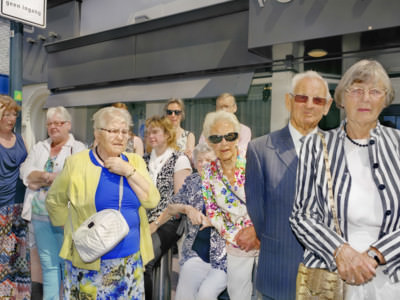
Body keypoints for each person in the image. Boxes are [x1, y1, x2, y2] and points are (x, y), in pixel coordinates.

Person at [290, 59, 400, 299]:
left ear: (385, 99)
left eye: (374, 91)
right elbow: (302, 216)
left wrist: (377, 254)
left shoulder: (398, 144)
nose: (365, 98)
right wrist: (341, 251)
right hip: (333, 278)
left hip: (391, 278)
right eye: (357, 90)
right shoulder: (315, 146)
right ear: (341, 98)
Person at [45, 106, 160, 299]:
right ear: (98, 133)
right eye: (114, 131)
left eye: (124, 132)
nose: (120, 137)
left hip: (130, 260)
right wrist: (74, 230)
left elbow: (152, 200)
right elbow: (54, 201)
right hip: (91, 262)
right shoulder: (77, 163)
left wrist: (128, 171)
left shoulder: (135, 162)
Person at [245, 71, 333, 300]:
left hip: (327, 278)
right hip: (278, 272)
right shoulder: (260, 149)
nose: (310, 105)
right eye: (302, 98)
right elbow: (258, 212)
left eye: (318, 100)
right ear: (288, 101)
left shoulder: (338, 150)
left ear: (327, 106)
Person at [20, 106, 86, 299]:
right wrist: (49, 176)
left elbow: (74, 177)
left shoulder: (78, 148)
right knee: (48, 267)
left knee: (68, 266)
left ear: (68, 125)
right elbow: (25, 172)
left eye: (58, 123)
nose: (53, 127)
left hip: (65, 218)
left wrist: (39, 178)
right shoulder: (40, 147)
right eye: (50, 123)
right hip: (39, 217)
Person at [202, 110, 259, 300]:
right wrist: (236, 237)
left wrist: (256, 231)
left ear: (237, 137)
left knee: (267, 293)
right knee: (237, 294)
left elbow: (269, 199)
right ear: (209, 142)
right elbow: (212, 211)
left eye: (230, 136)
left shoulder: (255, 160)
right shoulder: (208, 171)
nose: (224, 143)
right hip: (236, 241)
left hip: (263, 236)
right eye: (216, 138)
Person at [161, 143, 227, 300]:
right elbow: (171, 207)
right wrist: (186, 209)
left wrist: (214, 221)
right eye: (200, 160)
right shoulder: (192, 182)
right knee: (184, 292)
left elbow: (239, 220)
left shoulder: (228, 184)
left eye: (208, 160)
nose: (203, 164)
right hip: (196, 254)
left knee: (205, 294)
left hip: (224, 258)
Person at [143, 115, 192, 299]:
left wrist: (155, 223)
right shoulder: (144, 159)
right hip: (145, 220)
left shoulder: (179, 159)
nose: (150, 136)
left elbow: (179, 203)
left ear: (167, 133)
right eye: (148, 132)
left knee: (144, 259)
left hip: (170, 220)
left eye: (155, 132)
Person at [0, 95, 29, 299]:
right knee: (3, 259)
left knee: (19, 256)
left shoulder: (20, 139)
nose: (11, 118)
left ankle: (19, 296)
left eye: (14, 114)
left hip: (19, 204)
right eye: (7, 114)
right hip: (1, 207)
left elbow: (28, 168)